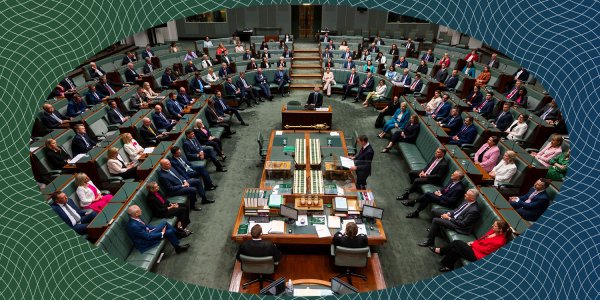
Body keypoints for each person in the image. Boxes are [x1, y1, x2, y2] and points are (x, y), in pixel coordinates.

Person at [431, 220, 510, 272]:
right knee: (455, 249)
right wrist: (474, 242)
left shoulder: (500, 242)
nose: (492, 225)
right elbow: (481, 240)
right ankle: (449, 266)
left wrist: (473, 244)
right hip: (475, 248)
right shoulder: (493, 230)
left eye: (495, 225)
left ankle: (441, 251)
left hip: (478, 256)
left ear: (500, 230)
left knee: (457, 243)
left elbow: (484, 250)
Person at [126, 204, 190, 254]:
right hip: (145, 241)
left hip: (149, 233)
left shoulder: (135, 218)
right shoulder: (133, 226)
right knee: (164, 223)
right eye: (140, 210)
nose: (141, 210)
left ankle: (178, 248)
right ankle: (179, 234)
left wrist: (155, 229)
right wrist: (161, 233)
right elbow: (148, 237)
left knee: (169, 231)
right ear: (136, 213)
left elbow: (146, 226)